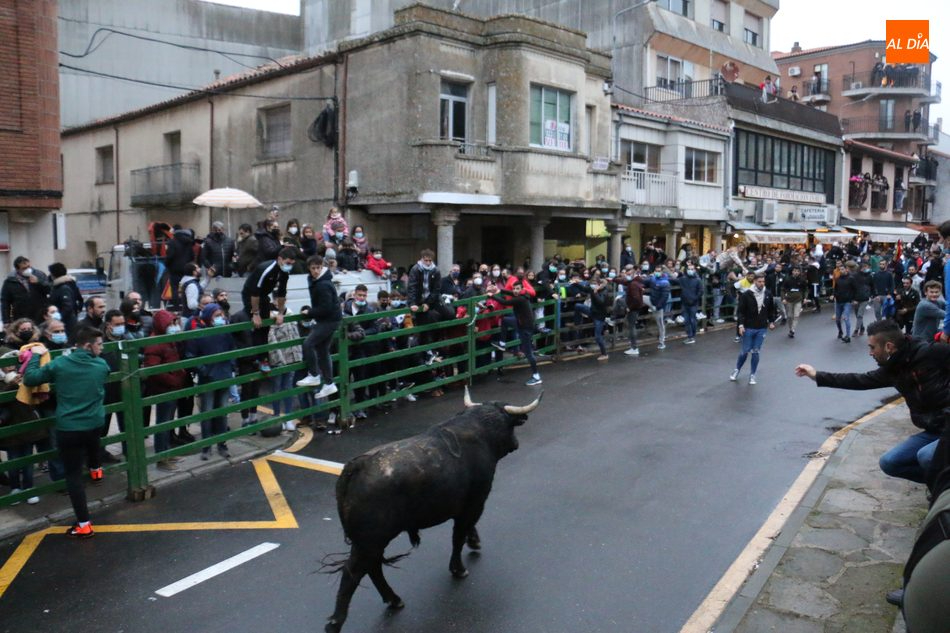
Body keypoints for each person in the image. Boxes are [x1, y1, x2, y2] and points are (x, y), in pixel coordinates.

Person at [795, 319, 950, 484]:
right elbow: (858, 380)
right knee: (890, 463)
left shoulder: (931, 353)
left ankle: (941, 492)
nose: (870, 352)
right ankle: (942, 488)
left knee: (926, 457)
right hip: (935, 430)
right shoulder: (893, 370)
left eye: (872, 347)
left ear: (888, 346)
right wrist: (816, 375)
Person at [23, 326, 111, 538]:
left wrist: (35, 357)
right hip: (94, 423)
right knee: (93, 443)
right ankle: (96, 469)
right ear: (88, 346)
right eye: (99, 344)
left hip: (69, 427)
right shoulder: (101, 365)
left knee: (72, 476)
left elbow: (31, 378)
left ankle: (83, 524)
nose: (102, 348)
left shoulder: (61, 364)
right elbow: (104, 374)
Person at [184, 303, 236, 460]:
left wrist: (231, 366)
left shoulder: (225, 332)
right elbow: (190, 356)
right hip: (208, 380)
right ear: (208, 317)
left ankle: (222, 444)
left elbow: (232, 350)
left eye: (221, 315)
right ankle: (206, 447)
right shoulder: (198, 334)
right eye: (216, 316)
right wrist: (204, 371)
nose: (221, 318)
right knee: (206, 413)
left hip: (224, 376)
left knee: (222, 413)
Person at [142, 310, 188, 471]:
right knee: (163, 423)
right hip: (164, 389)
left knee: (167, 422)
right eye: (170, 324)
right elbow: (153, 368)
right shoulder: (155, 342)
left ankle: (167, 453)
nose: (174, 327)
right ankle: (161, 458)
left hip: (172, 387)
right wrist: (173, 379)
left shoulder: (168, 340)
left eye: (174, 323)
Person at [241, 246, 296, 366]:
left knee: (266, 326)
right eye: (287, 263)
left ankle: (263, 359)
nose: (289, 266)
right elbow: (254, 293)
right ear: (280, 259)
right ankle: (255, 358)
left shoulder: (285, 272)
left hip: (264, 296)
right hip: (251, 295)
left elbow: (282, 293)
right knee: (257, 325)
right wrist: (255, 313)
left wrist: (281, 313)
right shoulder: (265, 269)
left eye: (292, 264)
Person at [296, 255, 341, 399]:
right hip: (328, 319)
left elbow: (326, 308)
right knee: (322, 350)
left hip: (328, 320)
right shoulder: (317, 281)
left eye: (318, 268)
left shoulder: (323, 284)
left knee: (308, 344)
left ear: (322, 267)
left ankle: (314, 375)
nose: (315, 271)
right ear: (309, 269)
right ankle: (329, 383)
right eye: (313, 268)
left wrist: (310, 312)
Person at [488, 280, 542, 386]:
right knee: (505, 320)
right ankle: (502, 344)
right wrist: (499, 290)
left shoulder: (520, 299)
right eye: (514, 288)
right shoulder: (523, 294)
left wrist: (492, 295)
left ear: (522, 289)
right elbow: (510, 293)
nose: (515, 291)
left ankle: (536, 376)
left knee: (528, 353)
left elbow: (505, 302)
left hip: (525, 328)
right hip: (520, 323)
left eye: (518, 289)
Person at [730, 273, 777, 385]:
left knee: (756, 351)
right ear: (755, 281)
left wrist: (771, 321)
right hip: (748, 327)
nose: (762, 283)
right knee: (744, 352)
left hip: (761, 328)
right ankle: (737, 370)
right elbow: (740, 311)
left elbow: (771, 309)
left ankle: (753, 375)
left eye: (763, 282)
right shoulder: (746, 294)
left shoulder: (768, 294)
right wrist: (741, 325)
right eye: (759, 281)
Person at [2, 256, 50, 325]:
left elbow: (48, 290)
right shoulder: (10, 281)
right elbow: (5, 302)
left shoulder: (39, 275)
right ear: (17, 270)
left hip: (40, 315)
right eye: (24, 268)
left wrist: (38, 282)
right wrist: (6, 321)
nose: (28, 269)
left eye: (29, 267)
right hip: (21, 317)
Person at [47, 263, 83, 338]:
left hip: (67, 322)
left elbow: (68, 306)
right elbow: (79, 300)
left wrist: (59, 316)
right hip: (67, 320)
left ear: (53, 274)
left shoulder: (63, 287)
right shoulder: (70, 283)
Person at [675, 262, 703, 344]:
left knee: (692, 320)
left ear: (694, 270)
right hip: (685, 302)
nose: (690, 271)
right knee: (687, 320)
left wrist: (695, 298)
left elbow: (701, 291)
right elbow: (673, 280)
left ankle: (692, 335)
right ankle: (690, 336)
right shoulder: (683, 279)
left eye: (692, 269)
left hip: (693, 303)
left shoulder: (698, 280)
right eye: (689, 269)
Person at [833, 261, 858, 343]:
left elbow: (855, 289)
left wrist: (854, 299)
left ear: (846, 270)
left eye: (843, 269)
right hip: (839, 301)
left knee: (846, 318)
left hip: (847, 301)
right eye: (840, 269)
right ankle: (840, 331)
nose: (841, 271)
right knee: (837, 319)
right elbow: (835, 289)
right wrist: (834, 295)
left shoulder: (851, 279)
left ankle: (847, 336)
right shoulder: (837, 279)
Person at [781, 266, 807, 338]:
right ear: (792, 271)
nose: (796, 272)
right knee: (789, 316)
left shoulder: (802, 280)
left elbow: (805, 289)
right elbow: (783, 289)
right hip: (789, 300)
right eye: (795, 271)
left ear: (799, 272)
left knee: (796, 315)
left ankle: (793, 330)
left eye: (798, 271)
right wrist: (783, 298)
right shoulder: (787, 279)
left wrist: (805, 298)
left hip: (798, 300)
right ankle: (790, 328)